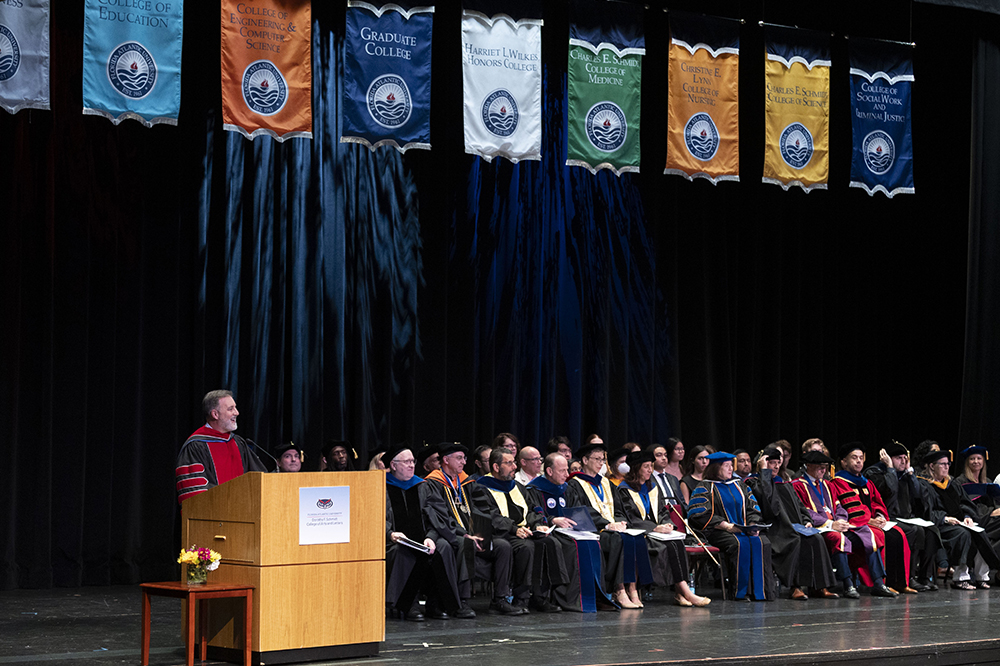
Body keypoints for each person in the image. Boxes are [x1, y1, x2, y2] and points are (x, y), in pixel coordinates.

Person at [422, 443, 523, 615]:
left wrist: (481, 532)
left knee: (502, 546)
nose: (463, 462)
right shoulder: (432, 484)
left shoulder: (467, 483)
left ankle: (500, 599)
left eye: (464, 458)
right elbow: (440, 517)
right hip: (449, 534)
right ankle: (461, 601)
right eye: (459, 458)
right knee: (465, 544)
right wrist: (466, 535)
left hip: (471, 532)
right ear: (446, 460)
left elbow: (480, 510)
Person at [383, 442, 470, 620]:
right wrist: (390, 533)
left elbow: (438, 516)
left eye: (412, 461)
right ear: (393, 465)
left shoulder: (423, 486)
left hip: (425, 538)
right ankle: (409, 604)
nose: (411, 465)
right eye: (406, 462)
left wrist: (431, 537)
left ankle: (437, 604)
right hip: (393, 541)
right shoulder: (380, 487)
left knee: (443, 546)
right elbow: (372, 517)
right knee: (404, 550)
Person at [792, 450, 894, 598]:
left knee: (868, 534)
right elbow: (805, 512)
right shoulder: (797, 485)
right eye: (819, 466)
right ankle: (848, 585)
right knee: (837, 538)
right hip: (818, 530)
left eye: (825, 466)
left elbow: (839, 507)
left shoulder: (827, 485)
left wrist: (841, 520)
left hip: (837, 526)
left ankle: (878, 583)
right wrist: (830, 524)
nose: (823, 470)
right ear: (808, 465)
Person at [475, 448, 568, 613]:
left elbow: (531, 510)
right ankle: (520, 599)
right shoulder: (481, 487)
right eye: (509, 463)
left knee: (550, 542)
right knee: (526, 547)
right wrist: (514, 528)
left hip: (523, 531)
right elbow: (490, 516)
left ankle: (540, 597)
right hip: (499, 534)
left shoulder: (517, 486)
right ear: (496, 467)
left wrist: (539, 523)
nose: (514, 467)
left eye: (514, 462)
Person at [615, 450, 710, 607]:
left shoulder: (652, 488)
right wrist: (654, 528)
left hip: (657, 532)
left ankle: (681, 592)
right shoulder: (624, 490)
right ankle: (685, 592)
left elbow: (662, 511)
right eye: (646, 467)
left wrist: (668, 524)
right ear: (636, 468)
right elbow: (631, 518)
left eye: (650, 466)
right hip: (640, 533)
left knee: (678, 543)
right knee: (664, 546)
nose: (649, 470)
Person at [747, 448, 840, 600]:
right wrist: (764, 473)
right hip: (775, 530)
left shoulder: (785, 483)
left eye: (778, 463)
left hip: (794, 527)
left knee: (816, 539)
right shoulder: (754, 483)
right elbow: (771, 508)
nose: (776, 466)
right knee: (795, 540)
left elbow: (800, 506)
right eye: (771, 463)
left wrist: (807, 521)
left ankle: (820, 586)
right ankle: (795, 587)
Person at [526, 453, 612, 612]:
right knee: (572, 547)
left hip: (571, 531)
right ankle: (569, 599)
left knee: (593, 542)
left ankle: (594, 598)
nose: (567, 475)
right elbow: (532, 514)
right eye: (562, 471)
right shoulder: (534, 489)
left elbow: (578, 510)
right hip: (550, 532)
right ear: (550, 471)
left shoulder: (568, 489)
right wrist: (552, 520)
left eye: (567, 470)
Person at [565, 442, 643, 609]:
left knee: (633, 538)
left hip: (612, 528)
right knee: (618, 539)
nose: (601, 463)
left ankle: (632, 589)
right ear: (585, 460)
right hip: (593, 531)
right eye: (597, 459)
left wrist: (621, 522)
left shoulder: (607, 483)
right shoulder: (575, 484)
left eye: (603, 459)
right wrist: (608, 525)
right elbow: (582, 511)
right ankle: (619, 589)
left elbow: (619, 508)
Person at [688, 451, 774, 601]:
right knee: (738, 544)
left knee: (761, 541)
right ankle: (740, 592)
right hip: (717, 531)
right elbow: (697, 515)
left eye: (731, 466)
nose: (730, 469)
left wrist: (753, 524)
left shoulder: (740, 485)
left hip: (743, 529)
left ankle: (762, 592)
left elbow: (752, 507)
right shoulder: (705, 487)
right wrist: (726, 526)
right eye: (726, 466)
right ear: (715, 468)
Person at [834, 442, 916, 594]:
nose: (859, 461)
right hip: (854, 525)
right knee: (879, 535)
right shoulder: (838, 483)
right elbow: (850, 509)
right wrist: (869, 521)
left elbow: (877, 502)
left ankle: (899, 582)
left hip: (869, 523)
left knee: (899, 533)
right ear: (844, 462)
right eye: (854, 458)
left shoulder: (866, 482)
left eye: (861, 458)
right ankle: (880, 582)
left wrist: (879, 516)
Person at [863, 441, 939, 591]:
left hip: (906, 518)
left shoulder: (905, 474)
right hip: (888, 517)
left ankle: (924, 577)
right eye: (899, 458)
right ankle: (906, 578)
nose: (904, 461)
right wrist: (890, 469)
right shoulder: (875, 473)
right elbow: (889, 492)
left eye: (905, 457)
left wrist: (911, 474)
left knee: (932, 531)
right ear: (888, 459)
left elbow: (918, 495)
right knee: (915, 531)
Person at [920, 449, 1000, 589]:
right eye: (942, 464)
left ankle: (982, 576)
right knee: (964, 533)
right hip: (940, 525)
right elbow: (927, 511)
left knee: (980, 532)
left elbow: (964, 504)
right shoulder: (925, 485)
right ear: (932, 466)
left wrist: (967, 517)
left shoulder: (952, 484)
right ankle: (960, 577)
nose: (946, 467)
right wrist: (946, 518)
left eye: (948, 464)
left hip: (959, 522)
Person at [175, 390, 266, 503]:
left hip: (244, 514)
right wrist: (230, 499)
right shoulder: (196, 446)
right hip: (213, 517)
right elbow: (194, 493)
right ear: (215, 414)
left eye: (235, 408)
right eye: (230, 409)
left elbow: (259, 477)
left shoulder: (238, 443)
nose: (236, 412)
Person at [647, 443, 685, 513]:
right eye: (659, 455)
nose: (664, 458)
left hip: (677, 514)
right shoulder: (648, 479)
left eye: (665, 455)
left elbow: (682, 501)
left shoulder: (673, 479)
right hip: (660, 515)